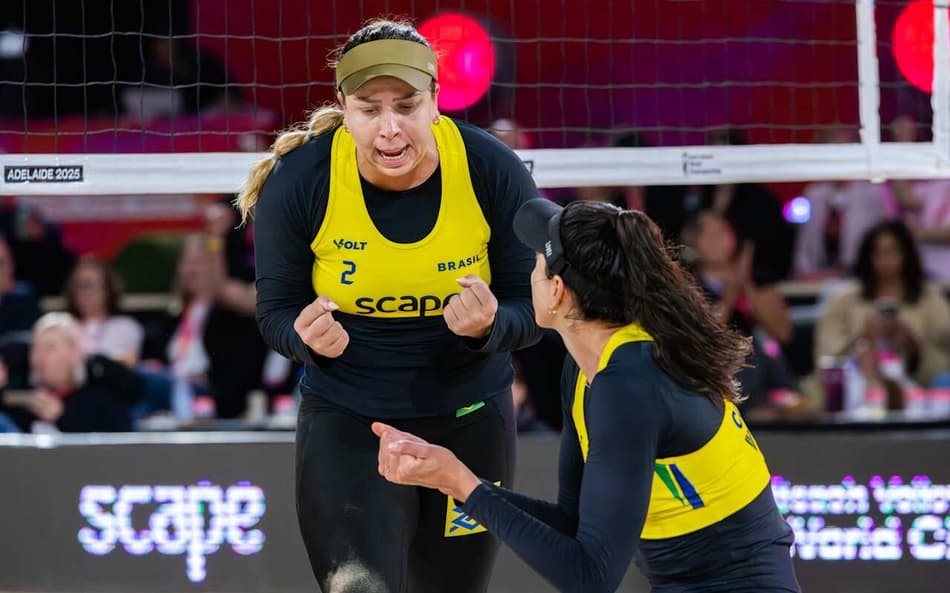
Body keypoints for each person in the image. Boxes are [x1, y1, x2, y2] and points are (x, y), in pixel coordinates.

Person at [235, 18, 542, 593]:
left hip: (470, 421)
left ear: (435, 101)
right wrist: (302, 338)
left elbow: (534, 309)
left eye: (406, 105)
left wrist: (492, 326)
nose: (390, 128)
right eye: (369, 108)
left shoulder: (488, 167)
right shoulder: (302, 179)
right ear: (344, 108)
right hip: (349, 421)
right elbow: (274, 311)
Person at [374, 199, 802, 593]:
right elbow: (574, 525)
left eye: (538, 263)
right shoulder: (586, 368)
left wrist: (462, 484)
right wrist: (453, 479)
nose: (530, 273)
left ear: (557, 291)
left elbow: (589, 577)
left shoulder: (630, 385)